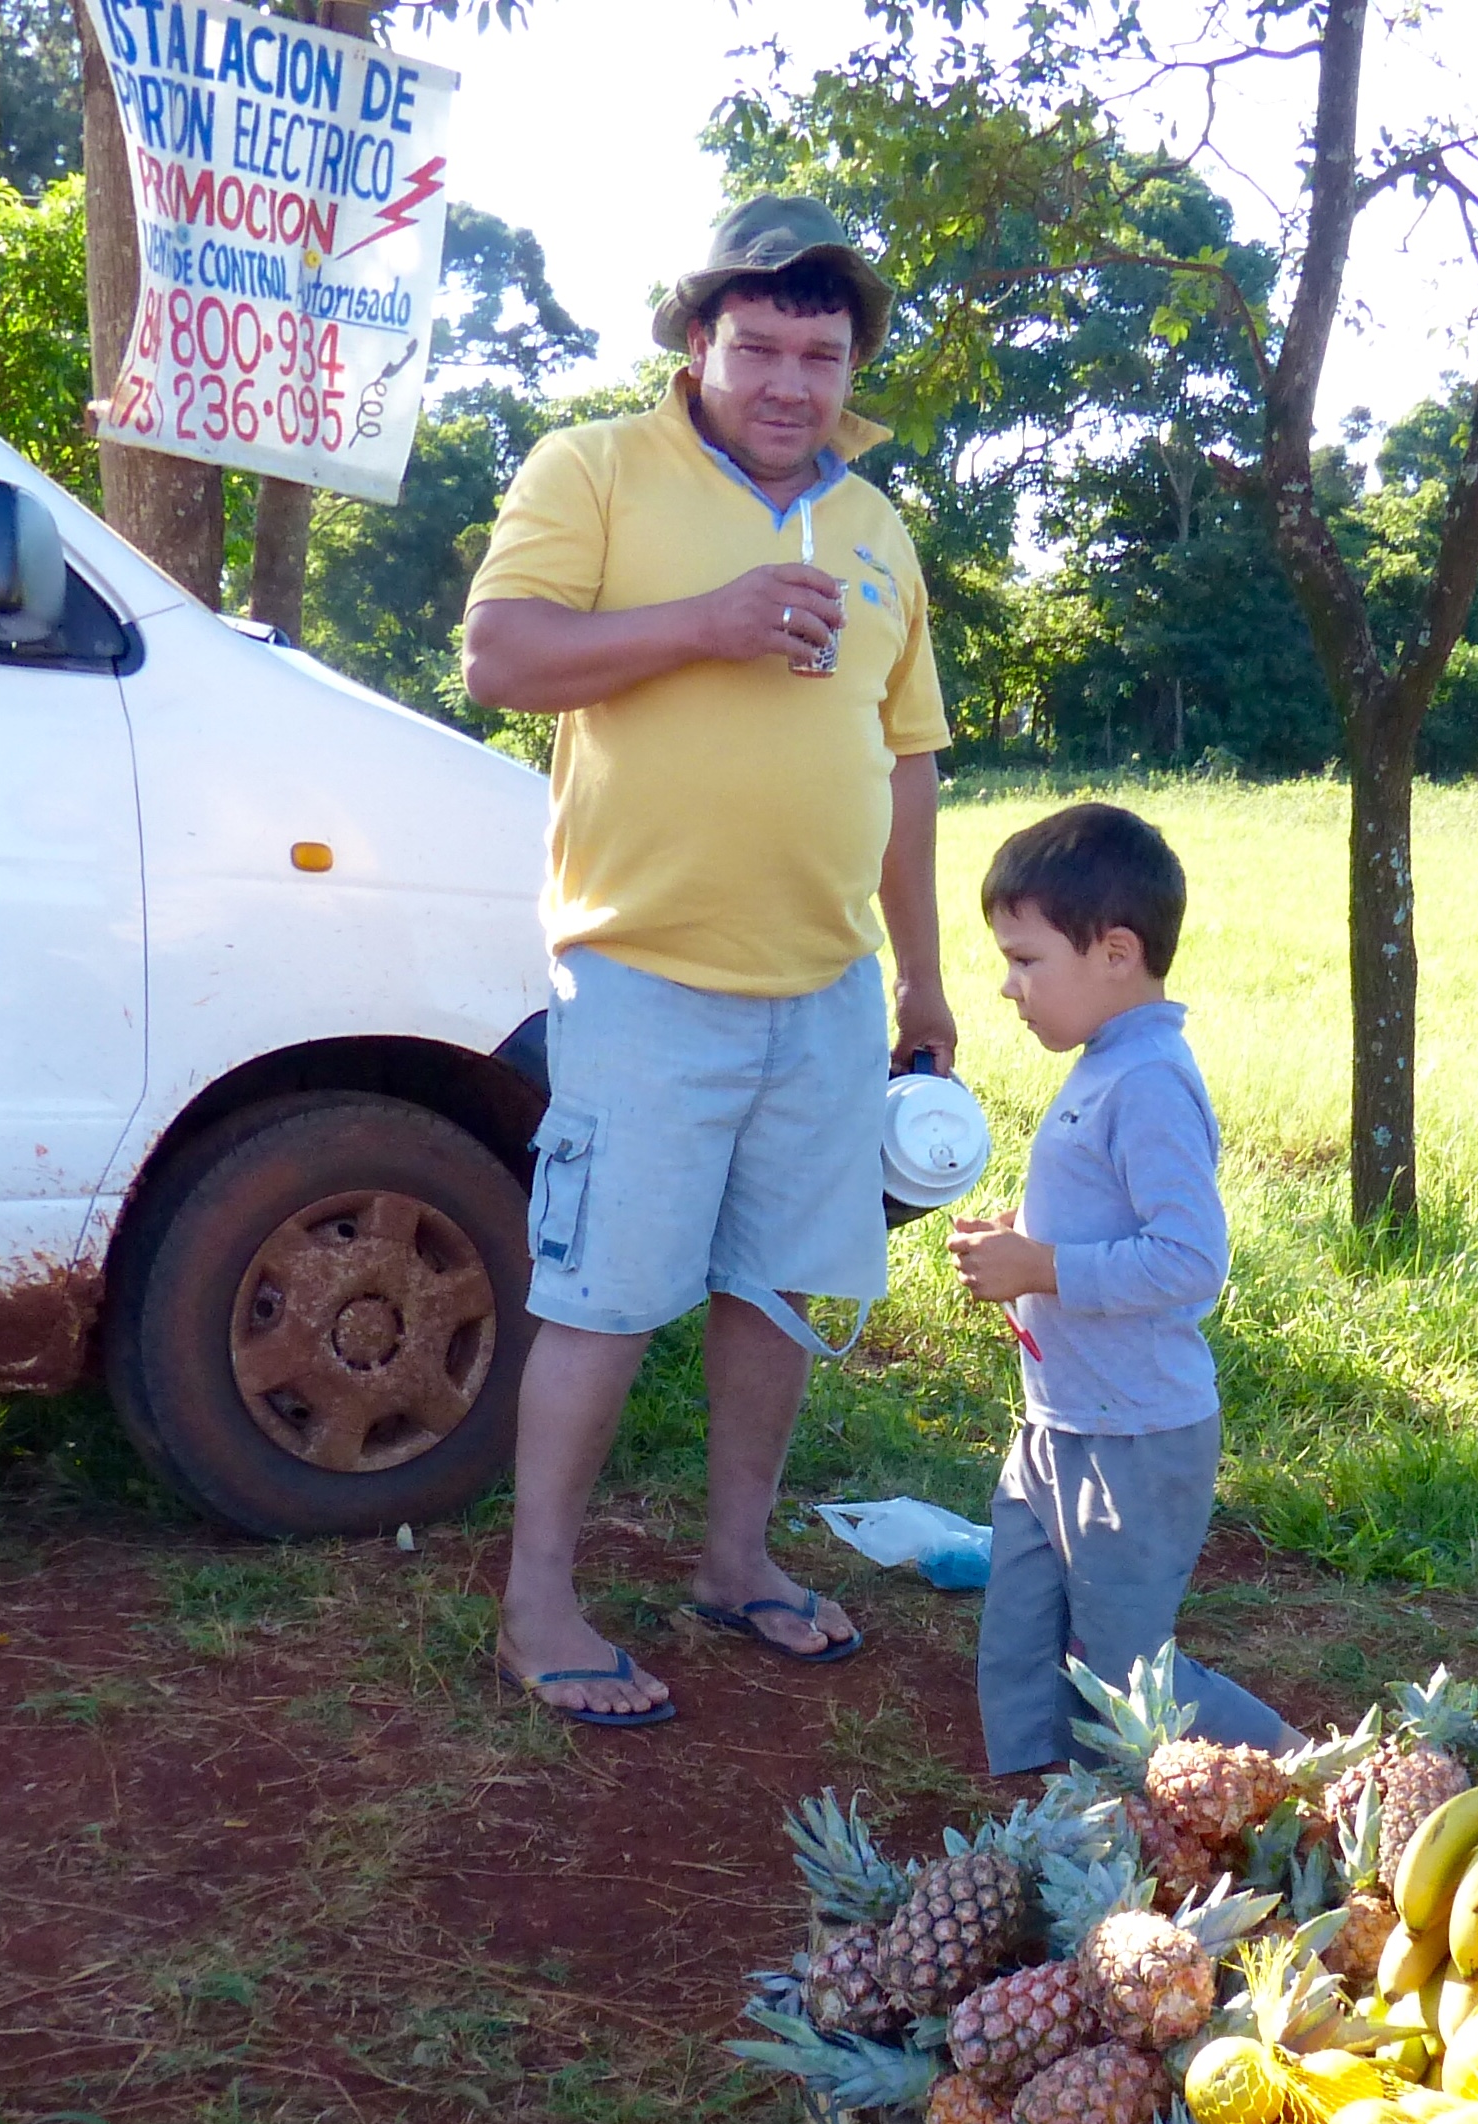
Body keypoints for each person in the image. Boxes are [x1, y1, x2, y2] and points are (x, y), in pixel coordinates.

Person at [460, 199, 954, 1727]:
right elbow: (503, 656)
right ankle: (538, 1604)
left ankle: (735, 1561)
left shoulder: (876, 528)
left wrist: (923, 982)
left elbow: (910, 762)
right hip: (644, 972)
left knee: (778, 1293)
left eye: (823, 351)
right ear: (697, 340)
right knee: (605, 1294)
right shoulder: (594, 467)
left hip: (826, 987)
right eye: (760, 346)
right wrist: (711, 619)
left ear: (852, 361)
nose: (792, 381)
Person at [949, 804, 1289, 1776]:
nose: (1007, 987)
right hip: (1057, 1425)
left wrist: (1043, 1267)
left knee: (1127, 1675)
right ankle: (1038, 1822)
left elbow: (1189, 1258)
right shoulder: (1105, 1064)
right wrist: (1021, 1242)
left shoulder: (1147, 1081)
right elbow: (1108, 1224)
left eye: (1024, 960)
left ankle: (1305, 1769)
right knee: (1018, 1640)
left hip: (1135, 1439)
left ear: (1113, 951)